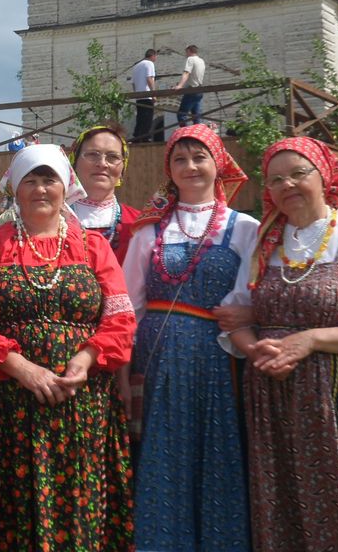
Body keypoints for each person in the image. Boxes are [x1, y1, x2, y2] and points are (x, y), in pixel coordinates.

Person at [0, 144, 135, 549]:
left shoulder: (93, 248)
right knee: (7, 511)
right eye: (29, 180)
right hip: (4, 405)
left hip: (80, 405)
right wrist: (22, 367)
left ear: (65, 186)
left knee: (76, 509)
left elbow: (120, 320)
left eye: (48, 178)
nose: (40, 188)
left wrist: (86, 359)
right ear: (15, 191)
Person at [121, 124, 257, 552]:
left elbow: (256, 295)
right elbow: (129, 307)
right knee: (163, 455)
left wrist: (249, 314)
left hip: (217, 362)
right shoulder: (149, 231)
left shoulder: (245, 228)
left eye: (200, 156)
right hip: (156, 362)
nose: (190, 166)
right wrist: (123, 374)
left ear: (219, 164)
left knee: (215, 455)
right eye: (180, 159)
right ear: (169, 170)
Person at [221, 137, 338, 551]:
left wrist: (310, 340)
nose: (287, 185)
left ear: (323, 174)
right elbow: (232, 316)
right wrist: (253, 345)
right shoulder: (266, 242)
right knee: (279, 501)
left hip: (333, 396)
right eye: (276, 179)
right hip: (271, 396)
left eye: (299, 173)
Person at [69, 123, 140, 264]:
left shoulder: (138, 223)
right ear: (74, 163)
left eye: (113, 157)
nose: (102, 163)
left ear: (122, 169)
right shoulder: (53, 221)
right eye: (92, 155)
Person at [173, 44, 206, 126]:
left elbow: (186, 72)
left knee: (181, 114)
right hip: (199, 90)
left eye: (186, 52)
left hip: (192, 90)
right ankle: (197, 135)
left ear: (189, 51)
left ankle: (185, 134)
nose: (186, 54)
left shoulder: (190, 59)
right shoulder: (201, 61)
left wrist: (180, 86)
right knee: (196, 116)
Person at [131, 49, 157, 143]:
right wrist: (153, 94)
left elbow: (133, 83)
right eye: (156, 57)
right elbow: (149, 78)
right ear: (153, 56)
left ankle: (136, 137)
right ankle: (146, 138)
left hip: (139, 97)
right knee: (148, 118)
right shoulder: (149, 64)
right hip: (147, 95)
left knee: (140, 118)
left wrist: (137, 94)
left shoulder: (136, 66)